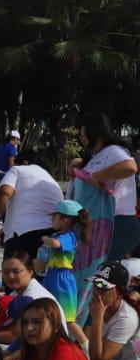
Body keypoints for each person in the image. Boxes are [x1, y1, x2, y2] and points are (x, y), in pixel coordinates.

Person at [70, 113, 137, 299]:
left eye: (84, 135)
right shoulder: (95, 156)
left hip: (118, 222)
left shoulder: (113, 151)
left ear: (96, 134)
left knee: (100, 276)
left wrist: (98, 176)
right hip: (100, 225)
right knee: (95, 276)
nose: (82, 139)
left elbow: (130, 167)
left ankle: (97, 321)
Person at [0, 147, 62, 258]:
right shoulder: (51, 180)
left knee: (13, 273)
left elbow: (4, 192)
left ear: (24, 163)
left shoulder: (18, 170)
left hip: (21, 235)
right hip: (51, 236)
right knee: (39, 275)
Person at [87, 262, 140, 360]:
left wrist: (97, 319)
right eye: (95, 285)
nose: (97, 292)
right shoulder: (100, 305)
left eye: (103, 288)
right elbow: (85, 339)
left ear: (120, 292)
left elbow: (98, 359)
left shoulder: (126, 318)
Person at [38, 198, 90, 341]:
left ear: (65, 220)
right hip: (51, 275)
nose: (52, 220)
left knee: (68, 319)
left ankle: (85, 347)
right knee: (45, 311)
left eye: (54, 217)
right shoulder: (58, 235)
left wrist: (45, 239)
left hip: (62, 279)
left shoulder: (69, 236)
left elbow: (55, 244)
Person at [0, 252, 63, 343]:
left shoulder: (34, 299)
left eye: (16, 271)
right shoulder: (18, 292)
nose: (10, 276)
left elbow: (19, 335)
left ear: (30, 271)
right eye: (5, 272)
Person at [0, 129, 20, 207]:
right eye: (18, 140)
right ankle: (2, 216)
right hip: (4, 176)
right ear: (14, 138)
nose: (18, 142)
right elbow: (11, 164)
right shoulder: (12, 148)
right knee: (5, 200)